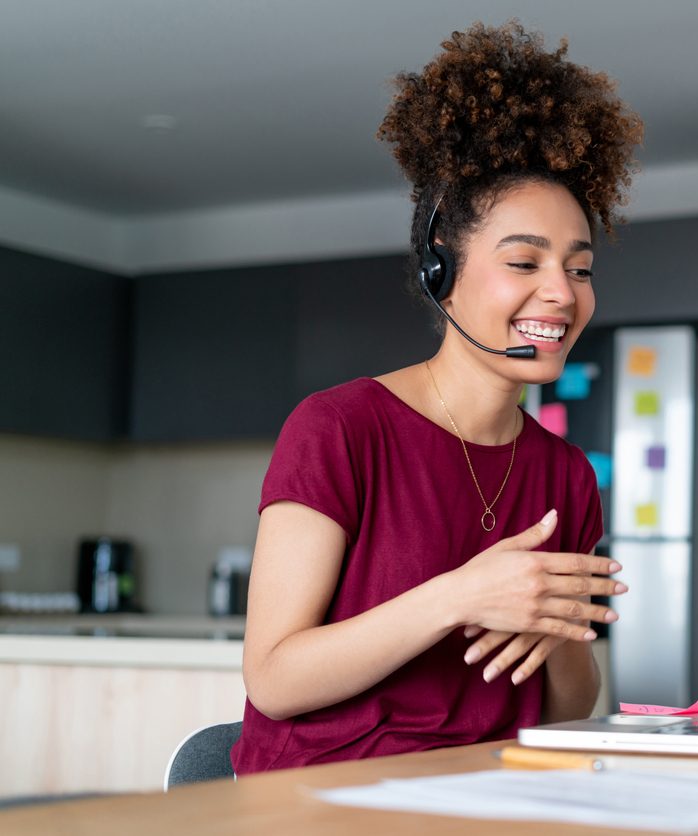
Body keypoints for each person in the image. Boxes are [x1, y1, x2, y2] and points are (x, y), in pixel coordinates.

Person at [231, 21, 645, 774]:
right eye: (524, 262)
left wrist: (546, 621)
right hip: (324, 803)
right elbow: (274, 679)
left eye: (580, 269)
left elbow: (567, 707)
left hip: (484, 796)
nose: (562, 293)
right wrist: (460, 597)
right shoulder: (339, 428)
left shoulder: (566, 475)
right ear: (440, 273)